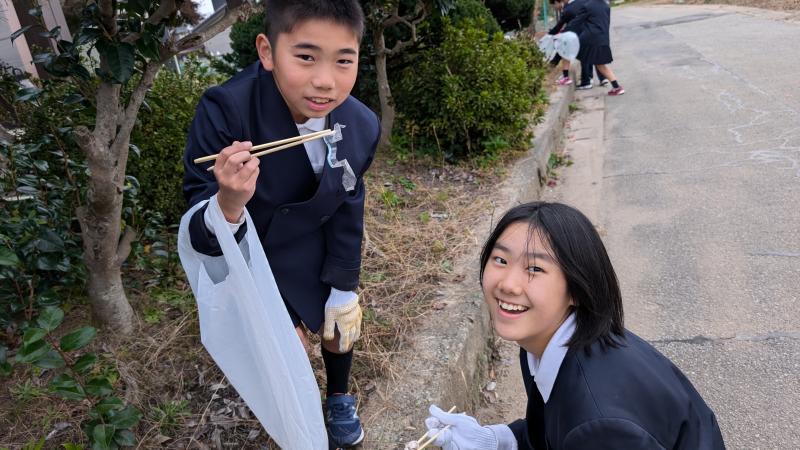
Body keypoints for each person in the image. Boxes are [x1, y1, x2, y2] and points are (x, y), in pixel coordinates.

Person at [182, 1, 379, 447]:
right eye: (306, 56)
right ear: (267, 51)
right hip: (255, 252)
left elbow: (349, 201)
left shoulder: (360, 123)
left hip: (314, 238)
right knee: (286, 354)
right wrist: (227, 202)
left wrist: (344, 284)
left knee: (340, 322)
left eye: (343, 60)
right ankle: (299, 418)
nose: (325, 81)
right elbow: (198, 229)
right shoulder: (227, 110)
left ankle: (339, 395)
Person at [423, 202, 726, 449]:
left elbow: (582, 426)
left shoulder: (600, 425)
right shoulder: (548, 341)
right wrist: (498, 440)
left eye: (535, 268)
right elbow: (552, 427)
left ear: (577, 289)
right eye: (500, 260)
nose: (508, 284)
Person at [572, 0, 625, 95]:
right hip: (603, 38)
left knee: (586, 57)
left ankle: (588, 81)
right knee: (600, 65)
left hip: (592, 39)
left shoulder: (587, 6)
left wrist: (565, 31)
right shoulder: (606, 5)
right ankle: (615, 86)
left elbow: (576, 22)